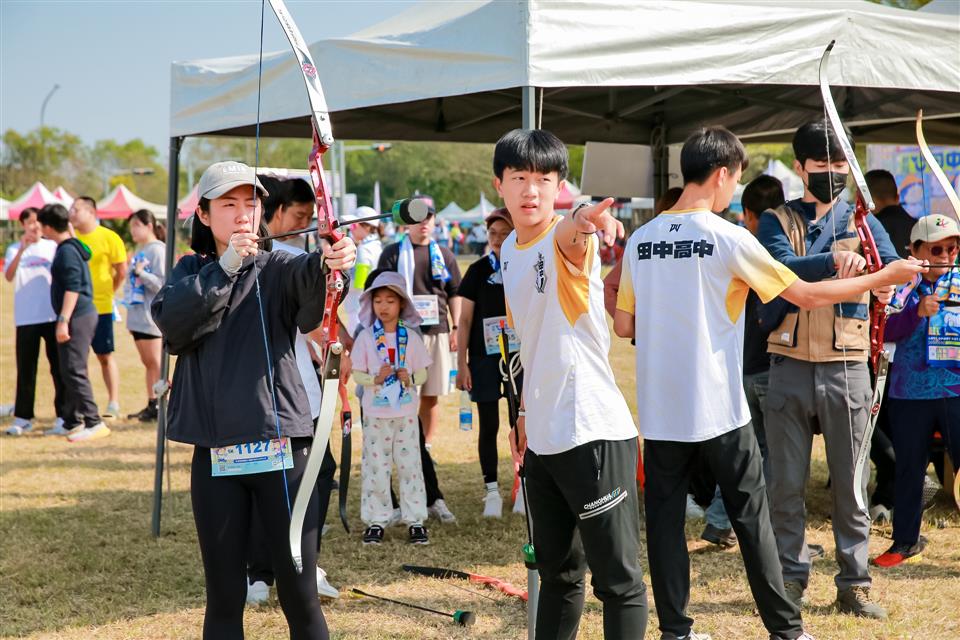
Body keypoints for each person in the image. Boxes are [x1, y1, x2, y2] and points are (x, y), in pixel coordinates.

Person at [614, 126, 923, 640]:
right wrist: (878, 280)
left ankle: (675, 631)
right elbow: (803, 295)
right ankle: (787, 631)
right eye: (735, 179)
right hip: (719, 409)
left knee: (665, 525)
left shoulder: (641, 241)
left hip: (660, 411)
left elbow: (625, 325)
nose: (734, 190)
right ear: (721, 174)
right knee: (752, 521)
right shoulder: (728, 237)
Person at [151, 161, 356, 639]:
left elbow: (313, 288)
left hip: (284, 451)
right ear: (204, 215)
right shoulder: (190, 271)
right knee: (225, 596)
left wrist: (334, 263)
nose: (243, 213)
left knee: (300, 595)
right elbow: (174, 325)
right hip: (216, 453)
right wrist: (226, 268)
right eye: (228, 204)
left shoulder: (280, 263)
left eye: (251, 203)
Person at [497, 128, 648, 639]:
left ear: (558, 186)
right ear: (499, 184)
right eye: (519, 177)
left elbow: (574, 231)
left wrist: (586, 217)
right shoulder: (508, 250)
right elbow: (531, 343)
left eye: (544, 179)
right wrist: (523, 414)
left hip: (591, 431)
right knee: (558, 576)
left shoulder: (564, 239)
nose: (531, 190)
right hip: (542, 439)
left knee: (618, 581)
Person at [757, 121, 903, 619]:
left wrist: (886, 284)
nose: (833, 173)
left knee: (851, 484)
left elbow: (890, 270)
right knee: (785, 485)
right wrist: (835, 260)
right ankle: (790, 579)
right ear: (800, 167)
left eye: (841, 164)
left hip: (847, 365)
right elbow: (778, 270)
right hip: (789, 364)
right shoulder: (776, 220)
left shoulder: (863, 220)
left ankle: (854, 583)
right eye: (822, 164)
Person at [244, 174, 340, 604]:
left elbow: (317, 319)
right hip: (266, 395)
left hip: (303, 391)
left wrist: (334, 264)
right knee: (267, 481)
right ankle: (260, 573)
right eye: (298, 215)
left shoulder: (297, 259)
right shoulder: (248, 261)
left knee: (317, 473)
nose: (303, 222)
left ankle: (302, 562)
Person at [697, 174, 787, 550]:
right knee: (771, 453)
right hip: (771, 365)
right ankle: (766, 528)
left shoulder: (728, 245)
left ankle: (719, 520)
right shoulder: (776, 251)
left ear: (747, 213)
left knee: (741, 451)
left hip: (737, 367)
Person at [872, 214, 960, 567]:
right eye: (937, 249)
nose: (946, 256)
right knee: (909, 468)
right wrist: (916, 313)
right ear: (915, 250)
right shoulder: (899, 284)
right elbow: (883, 330)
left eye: (953, 248)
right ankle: (905, 541)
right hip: (909, 392)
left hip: (955, 390)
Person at [377, 202, 461, 524]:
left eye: (429, 217)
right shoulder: (392, 252)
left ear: (435, 221)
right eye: (418, 218)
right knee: (403, 400)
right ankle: (409, 453)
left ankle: (424, 447)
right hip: (401, 335)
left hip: (436, 331)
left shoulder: (444, 254)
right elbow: (379, 290)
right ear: (407, 222)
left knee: (430, 395)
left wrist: (455, 326)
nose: (424, 223)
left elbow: (454, 291)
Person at [351, 271, 432, 545]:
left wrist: (410, 378)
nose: (383, 307)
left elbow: (423, 373)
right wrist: (375, 380)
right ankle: (376, 521)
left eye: (390, 301)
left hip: (406, 415)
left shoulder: (411, 337)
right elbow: (357, 374)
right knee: (376, 467)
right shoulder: (365, 338)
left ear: (401, 304)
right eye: (378, 301)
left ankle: (416, 521)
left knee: (411, 467)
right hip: (375, 415)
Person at [863, 168, 918, 522]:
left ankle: (889, 488)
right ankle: (897, 488)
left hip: (877, 342)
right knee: (903, 421)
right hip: (915, 347)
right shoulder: (918, 230)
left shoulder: (868, 232)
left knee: (874, 420)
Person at [455, 208, 518, 518]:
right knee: (489, 424)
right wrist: (462, 362)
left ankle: (524, 485)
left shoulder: (525, 266)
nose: (498, 239)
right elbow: (465, 320)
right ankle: (491, 490)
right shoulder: (478, 270)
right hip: (483, 357)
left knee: (520, 423)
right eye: (493, 233)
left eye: (505, 233)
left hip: (519, 358)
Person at [37, 204, 109, 442]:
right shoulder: (73, 245)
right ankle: (72, 421)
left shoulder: (67, 251)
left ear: (48, 227)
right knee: (67, 368)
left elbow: (73, 287)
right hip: (80, 315)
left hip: (77, 316)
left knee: (74, 369)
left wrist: (63, 320)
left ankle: (94, 421)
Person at [4, 207, 64, 436]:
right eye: (29, 222)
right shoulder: (14, 249)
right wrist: (22, 249)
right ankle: (23, 417)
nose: (34, 226)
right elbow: (8, 276)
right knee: (26, 369)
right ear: (22, 225)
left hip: (51, 315)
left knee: (58, 368)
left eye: (37, 222)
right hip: (26, 317)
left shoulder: (53, 246)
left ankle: (63, 415)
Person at [69, 196, 127, 418]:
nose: (71, 213)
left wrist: (108, 292)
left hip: (101, 308)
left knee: (105, 356)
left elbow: (121, 271)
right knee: (78, 360)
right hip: (75, 308)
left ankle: (113, 403)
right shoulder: (70, 238)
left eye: (76, 209)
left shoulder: (109, 237)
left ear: (91, 212)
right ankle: (82, 406)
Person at [124, 209, 166, 422]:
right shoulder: (141, 250)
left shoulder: (158, 250)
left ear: (149, 226)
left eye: (136, 225)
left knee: (156, 363)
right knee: (149, 364)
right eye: (131, 226)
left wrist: (141, 273)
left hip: (151, 318)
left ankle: (162, 405)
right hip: (138, 317)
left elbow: (163, 284)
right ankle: (152, 404)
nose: (132, 230)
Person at [342, 205, 384, 336]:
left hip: (359, 308)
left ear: (366, 227)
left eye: (353, 225)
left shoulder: (364, 250)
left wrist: (341, 282)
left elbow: (360, 283)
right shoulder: (376, 245)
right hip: (368, 304)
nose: (351, 229)